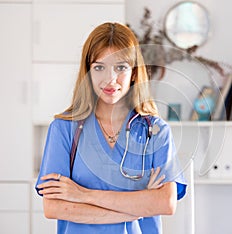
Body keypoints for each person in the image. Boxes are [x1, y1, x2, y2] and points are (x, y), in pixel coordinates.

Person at [35, 22, 187, 234]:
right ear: (87, 71)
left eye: (121, 67)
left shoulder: (155, 131)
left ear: (134, 72)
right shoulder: (64, 129)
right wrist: (138, 206)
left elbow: (166, 203)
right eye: (99, 67)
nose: (110, 79)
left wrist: (81, 195)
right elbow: (54, 207)